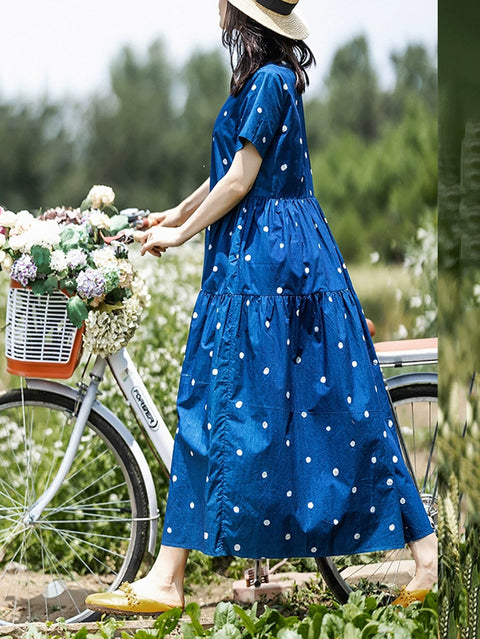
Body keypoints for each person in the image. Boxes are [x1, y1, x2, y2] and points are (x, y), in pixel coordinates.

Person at [86, 0, 437, 614]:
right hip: (262, 256)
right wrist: (176, 213)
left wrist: (181, 234)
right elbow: (229, 170)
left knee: (240, 399)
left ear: (241, 14)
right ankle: (172, 573)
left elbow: (243, 179)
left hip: (268, 264)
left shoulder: (271, 79)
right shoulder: (265, 79)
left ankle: (423, 551)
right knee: (259, 402)